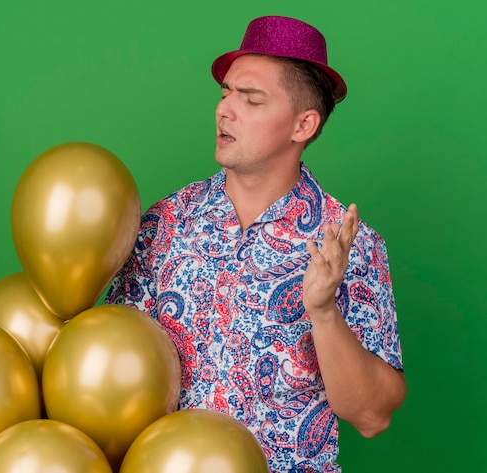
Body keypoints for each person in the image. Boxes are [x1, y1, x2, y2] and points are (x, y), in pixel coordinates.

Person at [105, 15, 406, 472]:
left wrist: (323, 311)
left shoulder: (350, 244)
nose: (225, 110)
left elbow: (372, 416)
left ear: (303, 125)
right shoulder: (165, 223)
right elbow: (107, 361)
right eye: (226, 93)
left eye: (252, 99)